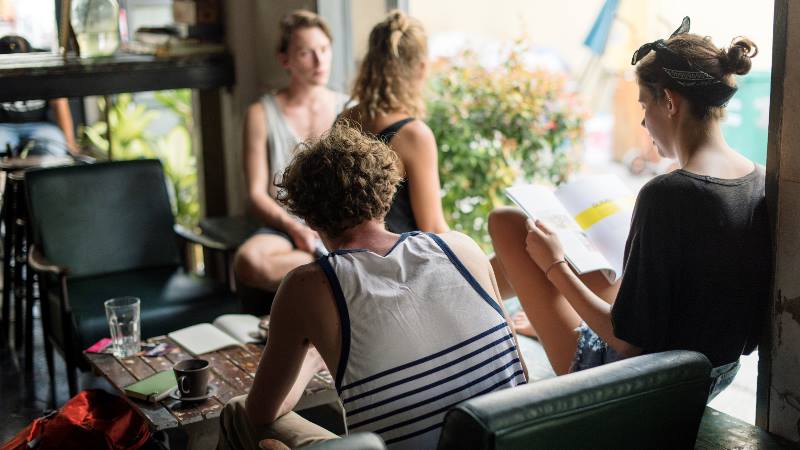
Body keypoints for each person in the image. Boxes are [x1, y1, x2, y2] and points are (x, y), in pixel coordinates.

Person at [488, 17, 770, 401]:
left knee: (508, 224)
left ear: (669, 102)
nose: (642, 121)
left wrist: (554, 264)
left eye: (643, 105)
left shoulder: (669, 193)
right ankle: (543, 317)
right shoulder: (759, 178)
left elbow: (627, 343)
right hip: (713, 374)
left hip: (643, 384)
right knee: (596, 262)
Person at [218, 124, 527, 450]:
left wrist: (311, 357)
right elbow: (518, 372)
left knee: (238, 410)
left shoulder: (307, 286)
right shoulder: (463, 249)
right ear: (387, 193)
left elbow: (261, 412)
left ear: (308, 218)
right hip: (513, 441)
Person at [234, 10, 350, 293]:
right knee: (247, 261)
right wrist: (294, 227)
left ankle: (330, 264)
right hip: (285, 226)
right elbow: (256, 195)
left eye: (324, 49)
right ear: (285, 60)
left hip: (338, 223)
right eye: (305, 53)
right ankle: (338, 268)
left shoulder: (349, 109)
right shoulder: (261, 114)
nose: (320, 61)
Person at [340, 10, 448, 234]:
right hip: (398, 261)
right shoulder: (414, 135)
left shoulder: (345, 120)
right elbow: (433, 228)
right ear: (421, 68)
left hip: (349, 259)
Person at [0, 35, 78, 157]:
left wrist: (70, 145)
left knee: (54, 148)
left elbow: (59, 104)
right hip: (3, 126)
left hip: (39, 125)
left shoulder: (44, 65)